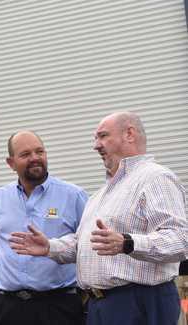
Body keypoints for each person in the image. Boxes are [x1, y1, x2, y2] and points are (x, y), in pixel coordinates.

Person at [10, 112, 188, 325]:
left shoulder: (155, 178)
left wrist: (128, 243)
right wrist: (50, 247)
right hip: (100, 306)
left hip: (140, 301)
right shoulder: (101, 194)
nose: (96, 145)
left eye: (102, 136)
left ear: (129, 134)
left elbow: (180, 239)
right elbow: (85, 244)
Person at [0, 130, 88, 325]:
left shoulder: (74, 196)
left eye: (40, 152)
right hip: (7, 308)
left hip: (58, 307)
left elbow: (88, 248)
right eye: (25, 154)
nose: (35, 158)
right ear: (11, 163)